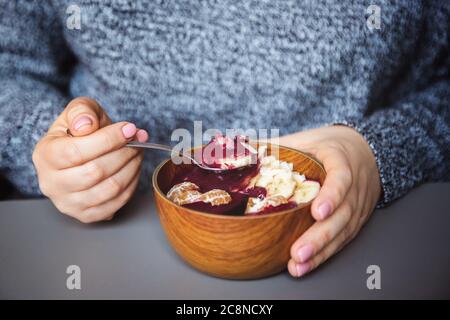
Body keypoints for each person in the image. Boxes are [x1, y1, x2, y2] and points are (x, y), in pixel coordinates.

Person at [0, 1, 448, 278]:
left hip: (366, 245)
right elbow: (10, 66)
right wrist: (53, 144)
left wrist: (375, 150)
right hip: (100, 250)